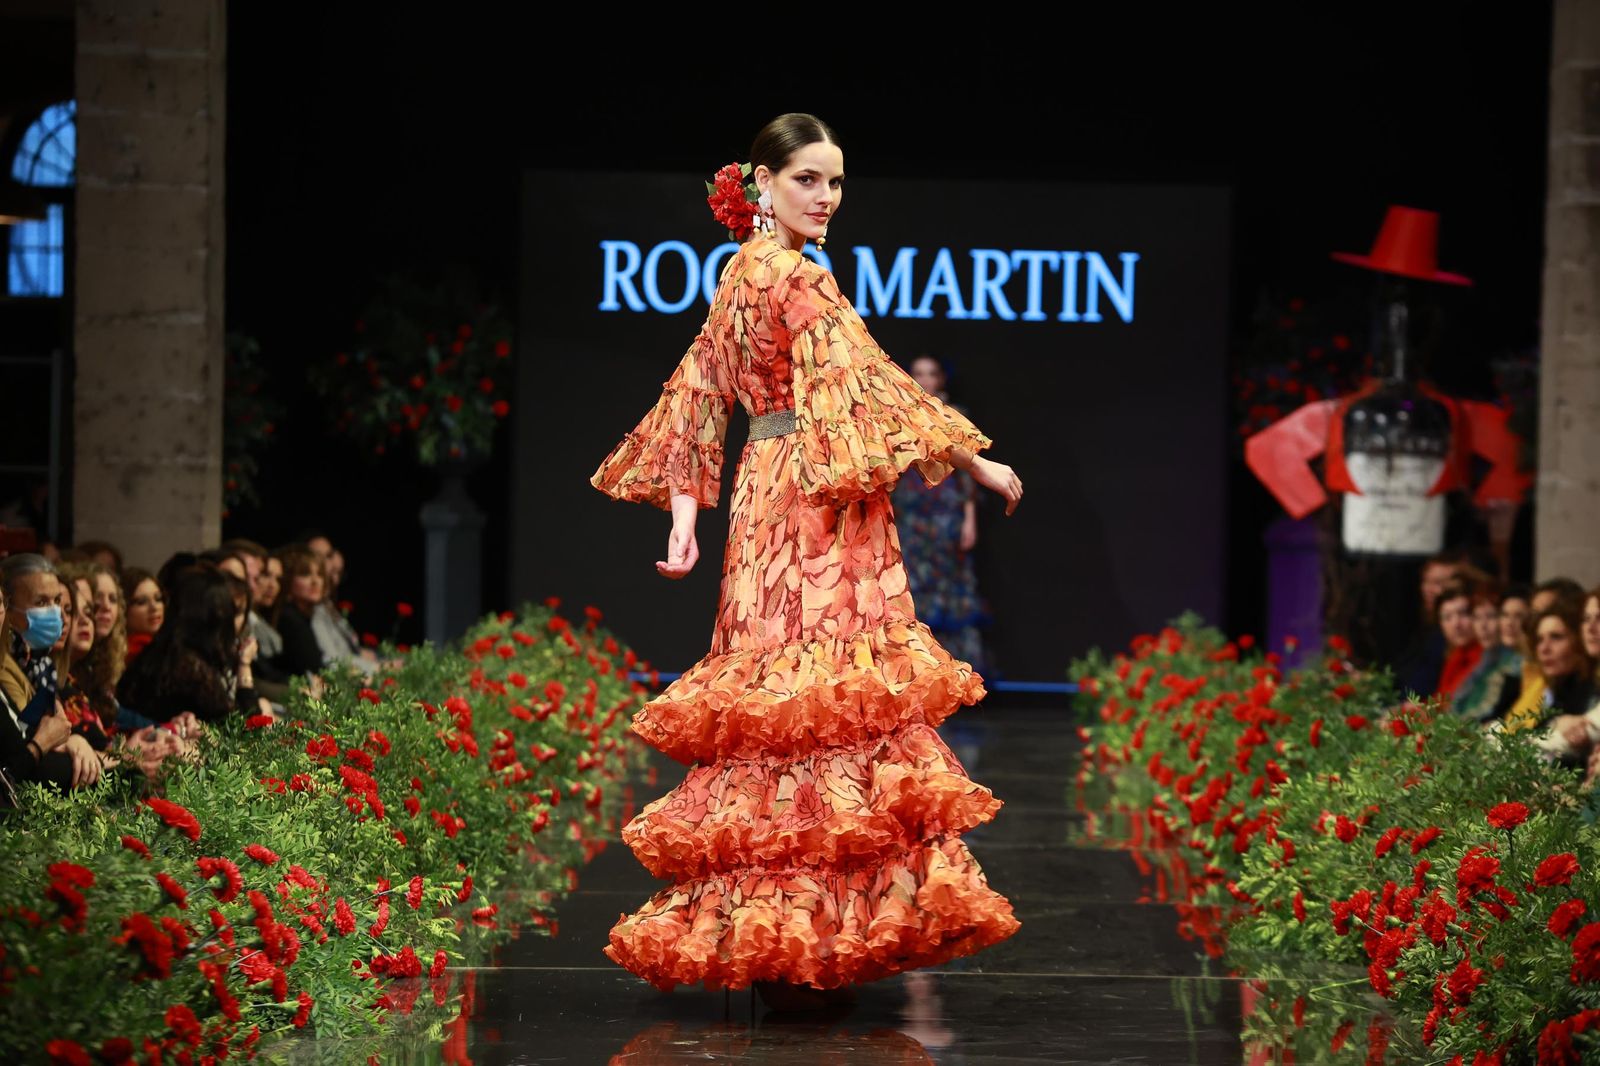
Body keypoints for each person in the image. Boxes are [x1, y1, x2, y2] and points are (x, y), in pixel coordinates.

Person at [590, 114, 1022, 1010]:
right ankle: (812, 935)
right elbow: (866, 382)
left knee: (781, 709)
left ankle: (776, 932)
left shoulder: (739, 272)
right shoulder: (795, 275)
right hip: (818, 497)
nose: (825, 198)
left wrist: (685, 521)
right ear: (763, 182)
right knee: (829, 703)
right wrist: (974, 460)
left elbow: (699, 393)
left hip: (766, 492)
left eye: (835, 182)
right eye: (807, 180)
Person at [889, 354, 992, 674]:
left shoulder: (953, 415)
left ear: (941, 379)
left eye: (930, 373)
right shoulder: (897, 415)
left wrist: (970, 519)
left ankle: (957, 671)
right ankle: (919, 671)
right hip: (910, 516)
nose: (924, 380)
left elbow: (968, 475)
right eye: (918, 373)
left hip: (946, 516)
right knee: (912, 587)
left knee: (950, 589)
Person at [116, 566, 263, 724]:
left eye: (158, 599)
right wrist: (244, 665)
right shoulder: (188, 664)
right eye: (232, 612)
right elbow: (247, 727)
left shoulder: (168, 650)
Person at [121, 567, 165, 663]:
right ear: (124, 609)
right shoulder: (134, 654)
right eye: (142, 602)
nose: (154, 608)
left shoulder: (164, 644)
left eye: (158, 599)